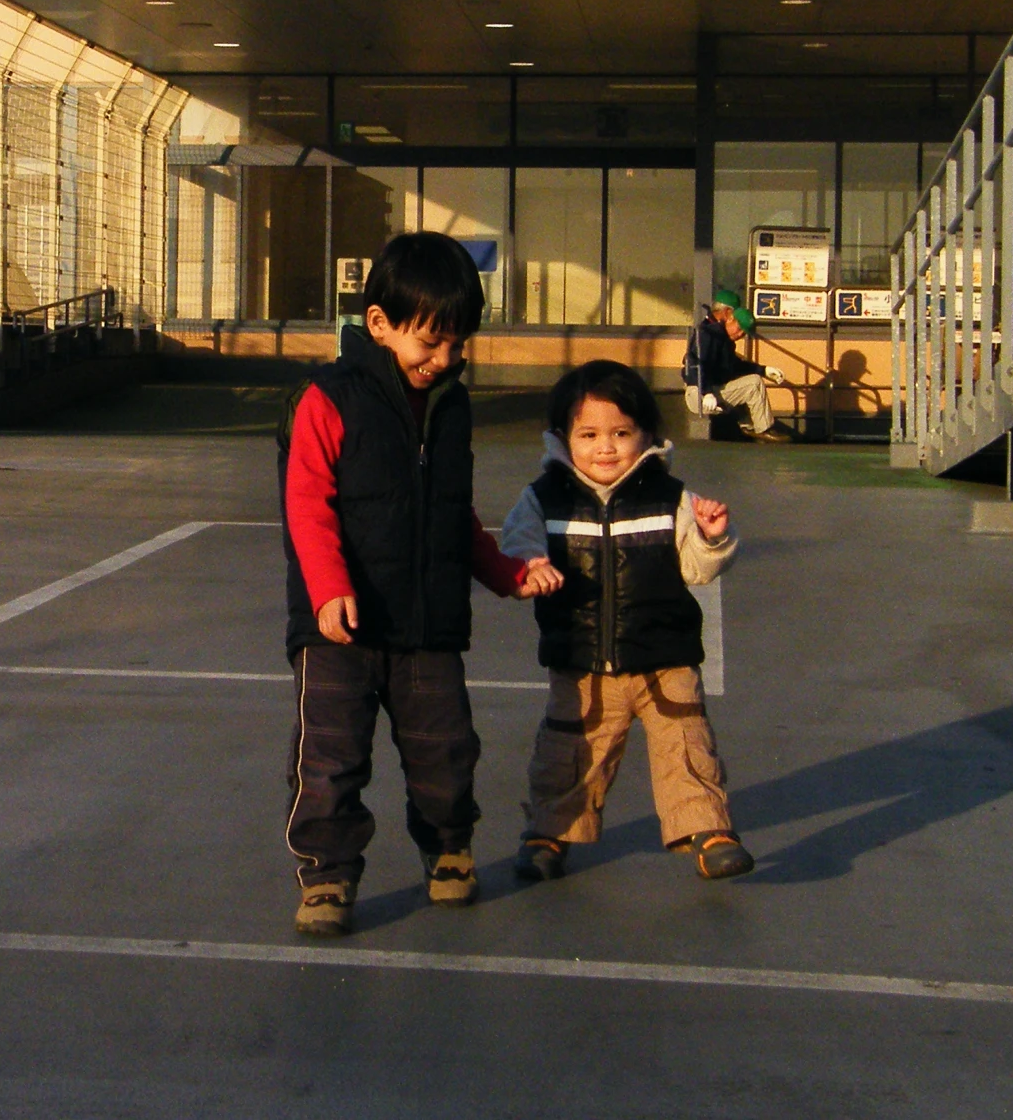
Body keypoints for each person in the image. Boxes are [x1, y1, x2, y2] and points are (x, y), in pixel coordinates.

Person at [279, 231, 564, 938]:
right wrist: (326, 590)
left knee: (446, 751)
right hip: (339, 628)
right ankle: (327, 875)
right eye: (430, 343)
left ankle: (448, 850)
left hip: (429, 625)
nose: (444, 360)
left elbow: (452, 512)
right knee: (330, 760)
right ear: (379, 324)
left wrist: (502, 573)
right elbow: (306, 504)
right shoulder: (326, 399)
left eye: (458, 345)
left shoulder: (450, 406)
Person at [500, 360, 754, 883]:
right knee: (571, 752)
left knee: (686, 744)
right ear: (562, 438)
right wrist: (531, 564)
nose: (606, 447)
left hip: (666, 656)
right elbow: (518, 539)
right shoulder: (545, 496)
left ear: (647, 435)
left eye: (621, 433)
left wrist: (709, 537)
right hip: (583, 658)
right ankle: (550, 832)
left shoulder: (669, 496)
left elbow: (697, 568)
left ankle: (709, 830)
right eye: (588, 434)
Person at [683, 290, 788, 443]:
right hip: (699, 393)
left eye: (743, 334)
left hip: (710, 390)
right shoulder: (707, 333)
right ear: (729, 316)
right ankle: (761, 428)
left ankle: (749, 424)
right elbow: (695, 364)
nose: (740, 335)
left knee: (751, 380)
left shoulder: (722, 337)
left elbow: (735, 366)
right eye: (739, 329)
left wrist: (763, 370)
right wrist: (706, 392)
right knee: (754, 383)